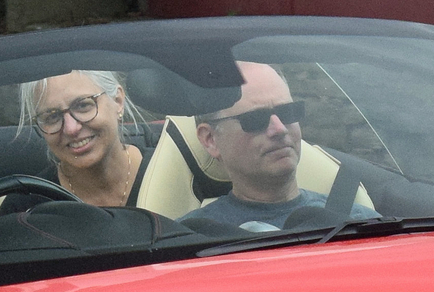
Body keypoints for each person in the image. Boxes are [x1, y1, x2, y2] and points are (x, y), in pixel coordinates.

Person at [183, 63, 373, 233]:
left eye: (288, 112)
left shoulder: (366, 226)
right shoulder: (186, 242)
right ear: (210, 140)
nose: (279, 129)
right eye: (256, 118)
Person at [19, 70, 143, 208]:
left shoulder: (168, 174)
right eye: (52, 117)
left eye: (83, 105)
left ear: (118, 101)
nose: (71, 129)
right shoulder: (26, 207)